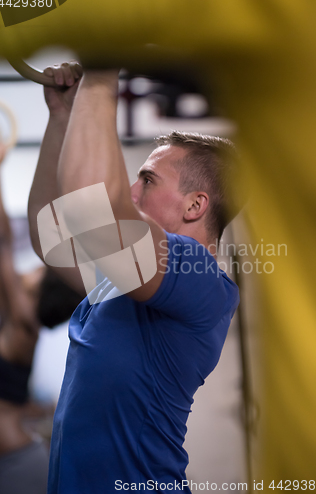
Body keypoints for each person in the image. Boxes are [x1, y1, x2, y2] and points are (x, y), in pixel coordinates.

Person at [28, 63, 241, 493]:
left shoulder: (200, 278)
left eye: (147, 179)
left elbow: (96, 209)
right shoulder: (121, 277)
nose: (131, 190)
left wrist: (102, 71)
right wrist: (63, 117)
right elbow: (49, 235)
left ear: (195, 206)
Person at [0, 143, 85, 494]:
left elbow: (0, 242)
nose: (29, 268)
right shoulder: (16, 323)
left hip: (16, 464)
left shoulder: (22, 326)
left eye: (38, 268)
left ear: (44, 288)